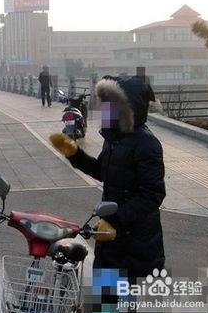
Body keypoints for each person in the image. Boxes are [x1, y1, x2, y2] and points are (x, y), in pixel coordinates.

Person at [50, 75, 165, 278]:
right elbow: (102, 171)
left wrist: (115, 219)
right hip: (110, 241)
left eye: (110, 106)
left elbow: (152, 195)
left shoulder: (147, 144)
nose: (104, 111)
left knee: (131, 306)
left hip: (137, 245)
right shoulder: (114, 139)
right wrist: (74, 154)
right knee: (105, 307)